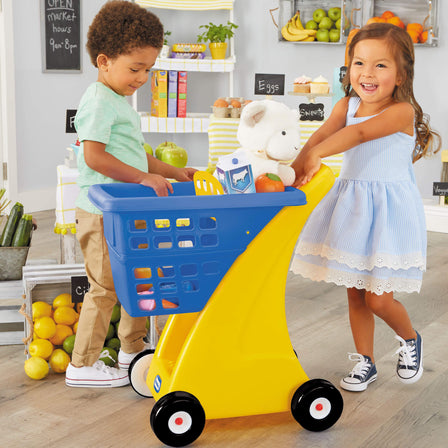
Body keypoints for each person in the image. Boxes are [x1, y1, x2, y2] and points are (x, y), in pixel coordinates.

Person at [290, 23, 440, 392]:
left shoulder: (402, 112)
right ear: (348, 67)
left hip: (389, 211)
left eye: (380, 66)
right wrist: (293, 169)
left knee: (378, 298)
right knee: (354, 291)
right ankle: (366, 361)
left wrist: (318, 156)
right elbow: (321, 135)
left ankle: (410, 339)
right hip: (353, 206)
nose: (367, 74)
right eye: (359, 63)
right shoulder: (347, 104)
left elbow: (357, 134)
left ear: (401, 73)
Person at [65, 1, 196, 388]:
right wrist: (141, 177)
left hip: (127, 211)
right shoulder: (97, 101)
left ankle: (132, 349)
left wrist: (175, 173)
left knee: (138, 280)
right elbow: (95, 157)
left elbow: (138, 157)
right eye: (134, 68)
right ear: (104, 61)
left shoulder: (119, 104)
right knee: (105, 287)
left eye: (148, 69)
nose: (142, 77)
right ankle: (83, 365)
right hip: (102, 211)